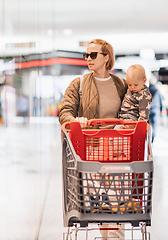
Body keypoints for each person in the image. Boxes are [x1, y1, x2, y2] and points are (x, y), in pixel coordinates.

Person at [59, 39, 128, 239]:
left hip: (117, 150)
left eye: (93, 55)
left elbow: (130, 112)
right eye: (86, 55)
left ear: (107, 57)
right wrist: (75, 121)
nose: (88, 59)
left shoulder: (120, 85)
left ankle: (114, 237)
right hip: (90, 150)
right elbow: (65, 112)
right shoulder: (78, 84)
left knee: (116, 198)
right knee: (98, 199)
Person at [118, 64, 152, 129]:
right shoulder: (132, 90)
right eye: (129, 85)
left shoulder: (144, 95)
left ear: (144, 81)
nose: (132, 87)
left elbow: (144, 113)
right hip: (123, 118)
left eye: (135, 85)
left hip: (133, 120)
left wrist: (139, 126)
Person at [148, 74, 162, 143]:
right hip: (156, 109)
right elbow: (160, 101)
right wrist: (161, 110)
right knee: (154, 126)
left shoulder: (147, 90)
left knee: (147, 127)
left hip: (148, 110)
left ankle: (147, 139)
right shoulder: (157, 91)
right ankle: (152, 140)